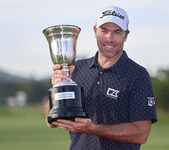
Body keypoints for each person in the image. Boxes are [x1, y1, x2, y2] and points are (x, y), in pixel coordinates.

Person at [45, 6, 157, 150]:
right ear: (95, 31)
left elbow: (141, 134)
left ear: (126, 35)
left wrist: (92, 128)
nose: (109, 38)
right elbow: (52, 122)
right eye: (104, 31)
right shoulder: (77, 68)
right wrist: (57, 86)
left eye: (117, 32)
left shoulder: (137, 74)